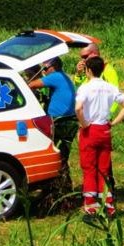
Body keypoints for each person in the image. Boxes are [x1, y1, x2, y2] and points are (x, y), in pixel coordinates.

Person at [75, 56, 124, 219]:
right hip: (105, 129)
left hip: (90, 130)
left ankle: (90, 206)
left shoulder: (85, 88)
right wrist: (113, 122)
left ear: (88, 70)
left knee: (89, 167)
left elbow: (78, 108)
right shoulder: (109, 87)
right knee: (104, 168)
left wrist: (84, 124)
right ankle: (108, 205)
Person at [28, 57, 78, 193]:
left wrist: (33, 76)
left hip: (61, 121)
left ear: (51, 67)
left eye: (45, 67)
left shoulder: (56, 76)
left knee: (55, 155)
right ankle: (59, 186)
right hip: (66, 120)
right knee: (60, 155)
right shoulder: (63, 76)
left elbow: (31, 85)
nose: (44, 72)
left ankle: (58, 188)